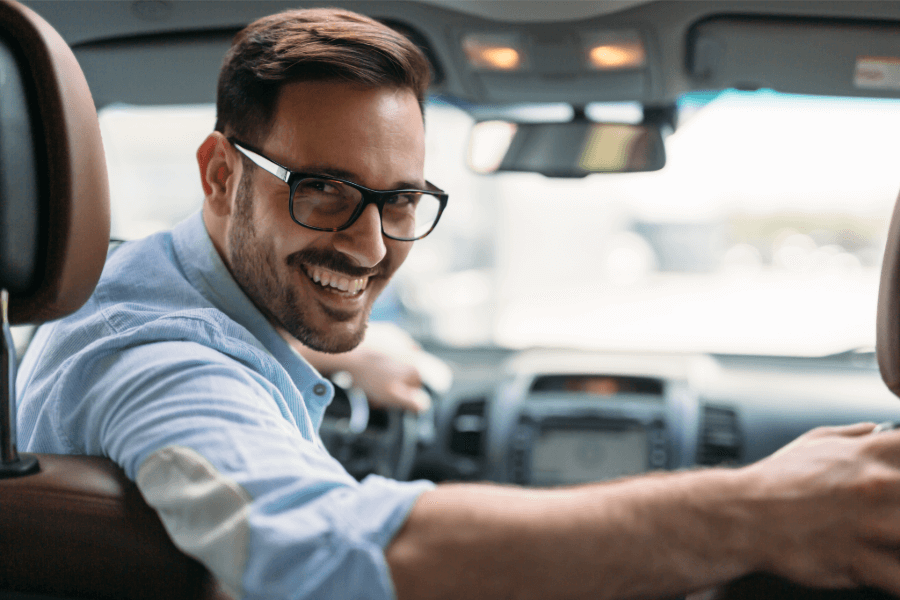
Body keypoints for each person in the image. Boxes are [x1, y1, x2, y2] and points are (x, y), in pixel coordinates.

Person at [15, 7, 900, 600]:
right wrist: (757, 511)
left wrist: (337, 351)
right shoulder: (151, 361)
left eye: (399, 200)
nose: (369, 247)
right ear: (219, 174)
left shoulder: (132, 290)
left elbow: (211, 318)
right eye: (323, 190)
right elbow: (326, 548)